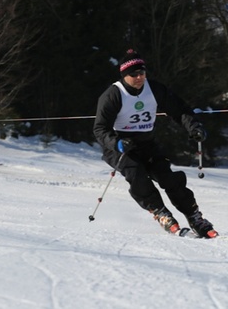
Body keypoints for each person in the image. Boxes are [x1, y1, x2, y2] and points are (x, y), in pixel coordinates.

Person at [93, 49, 217, 238]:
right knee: (137, 176)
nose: (139, 77)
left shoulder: (155, 89)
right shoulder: (113, 95)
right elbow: (100, 129)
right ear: (124, 75)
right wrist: (117, 143)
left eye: (142, 73)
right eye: (134, 74)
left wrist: (194, 127)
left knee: (168, 178)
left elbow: (180, 109)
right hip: (121, 147)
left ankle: (195, 217)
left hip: (147, 143)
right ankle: (161, 212)